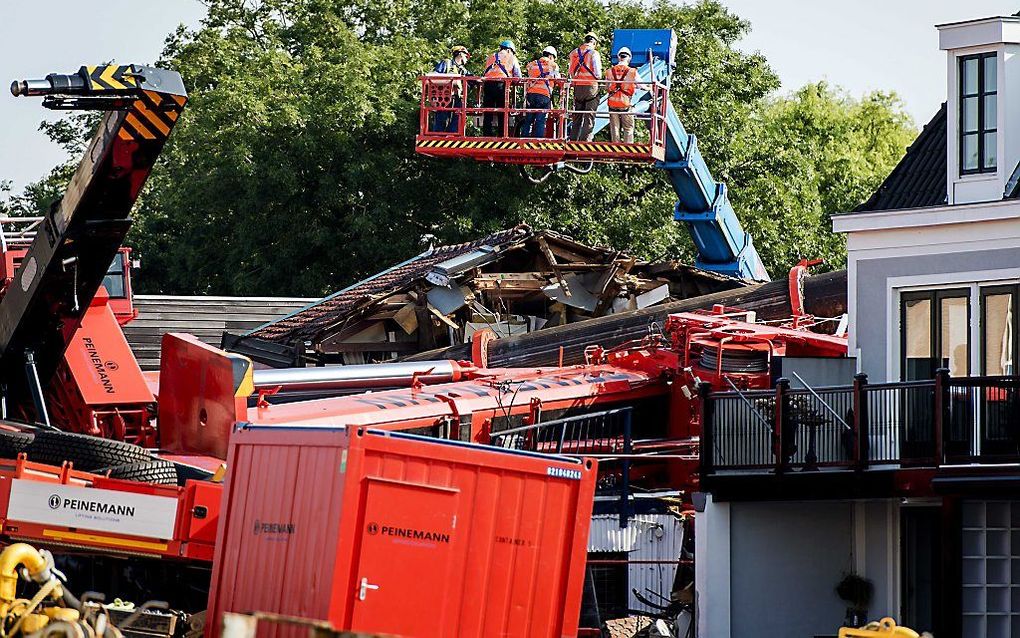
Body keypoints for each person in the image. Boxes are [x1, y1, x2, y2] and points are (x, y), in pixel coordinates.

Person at [482, 40, 522, 137]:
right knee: (502, 111)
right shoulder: (511, 57)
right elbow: (518, 76)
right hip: (501, 85)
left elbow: (485, 72)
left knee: (488, 111)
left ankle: (487, 135)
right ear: (509, 50)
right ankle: (502, 135)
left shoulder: (491, 57)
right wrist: (515, 82)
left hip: (488, 84)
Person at [568, 32, 603, 141]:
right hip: (590, 88)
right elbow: (598, 74)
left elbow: (571, 71)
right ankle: (584, 141)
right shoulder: (593, 53)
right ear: (594, 42)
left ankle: (573, 140)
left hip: (578, 87)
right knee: (589, 116)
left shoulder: (574, 53)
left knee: (577, 117)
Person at [606, 47, 644, 143]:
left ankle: (616, 148)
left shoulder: (610, 71)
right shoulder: (632, 72)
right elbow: (641, 86)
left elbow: (607, 86)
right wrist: (649, 88)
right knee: (628, 128)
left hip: (612, 103)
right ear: (629, 58)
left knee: (614, 128)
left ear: (619, 57)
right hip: (625, 103)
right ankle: (627, 147)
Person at [431, 45, 471, 133]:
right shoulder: (446, 63)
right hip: (444, 96)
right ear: (460, 54)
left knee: (458, 115)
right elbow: (434, 76)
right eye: (466, 55)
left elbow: (472, 79)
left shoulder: (463, 70)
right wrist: (450, 79)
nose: (467, 58)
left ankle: (452, 135)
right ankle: (438, 137)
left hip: (456, 97)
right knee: (441, 119)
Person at [522, 46, 559, 138]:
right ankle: (538, 141)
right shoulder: (553, 66)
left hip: (531, 95)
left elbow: (529, 75)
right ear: (551, 56)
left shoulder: (533, 64)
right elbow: (557, 79)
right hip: (544, 96)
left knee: (528, 120)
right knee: (540, 120)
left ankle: (523, 139)